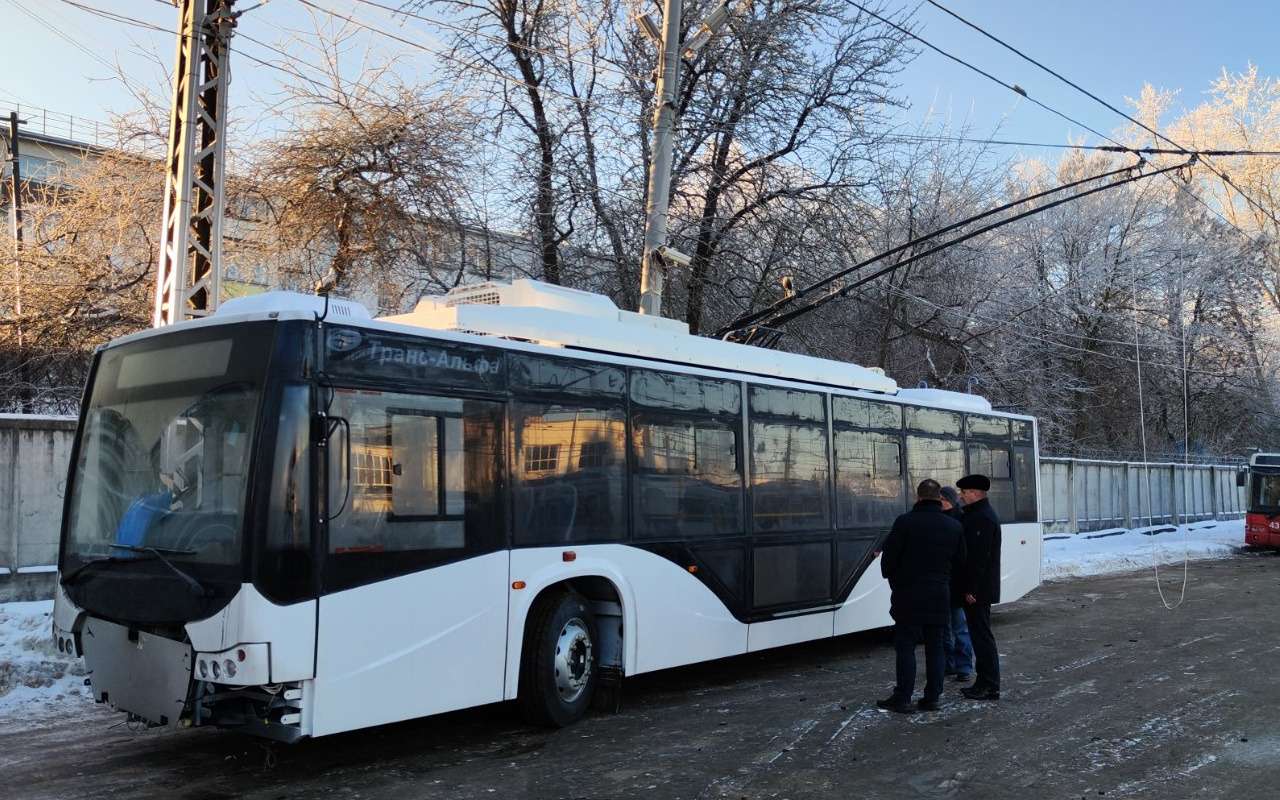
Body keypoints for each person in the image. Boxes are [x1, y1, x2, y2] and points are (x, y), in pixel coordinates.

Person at [876, 479, 967, 713]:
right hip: (939, 595)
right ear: (939, 498)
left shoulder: (904, 522)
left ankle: (903, 697)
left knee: (905, 646)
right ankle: (932, 697)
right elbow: (961, 564)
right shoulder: (954, 526)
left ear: (918, 497)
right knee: (936, 647)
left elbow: (888, 563)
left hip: (908, 595)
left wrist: (898, 582)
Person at [956, 474, 1003, 701]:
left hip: (978, 591)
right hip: (977, 589)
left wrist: (971, 589)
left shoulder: (982, 518)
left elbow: (978, 559)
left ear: (975, 493)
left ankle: (990, 685)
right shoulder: (977, 514)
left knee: (982, 637)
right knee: (979, 636)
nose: (961, 496)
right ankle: (984, 682)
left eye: (964, 492)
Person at [939, 486, 974, 682]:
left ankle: (964, 667)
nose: (940, 502)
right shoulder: (937, 518)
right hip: (942, 583)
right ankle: (949, 664)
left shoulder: (962, 519)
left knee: (960, 628)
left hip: (956, 584)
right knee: (944, 628)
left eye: (943, 499)